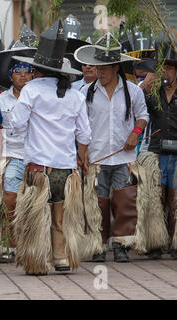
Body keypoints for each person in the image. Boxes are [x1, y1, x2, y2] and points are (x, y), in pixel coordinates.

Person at [10, 20, 91, 275]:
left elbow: (16, 124)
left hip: (38, 166)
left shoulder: (31, 90)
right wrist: (81, 156)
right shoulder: (76, 95)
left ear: (38, 69)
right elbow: (85, 134)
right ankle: (61, 258)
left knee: (36, 216)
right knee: (60, 215)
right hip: (65, 170)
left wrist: (26, 133)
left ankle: (37, 261)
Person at [75, 33, 151, 262]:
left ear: (115, 67)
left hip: (123, 157)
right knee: (97, 202)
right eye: (98, 68)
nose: (100, 72)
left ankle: (121, 245)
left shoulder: (133, 91)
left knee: (124, 201)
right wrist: (82, 152)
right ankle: (97, 246)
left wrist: (135, 134)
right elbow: (80, 126)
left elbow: (143, 117)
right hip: (96, 157)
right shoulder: (85, 92)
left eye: (104, 68)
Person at [0, 45, 36, 261]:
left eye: (27, 70)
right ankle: (10, 244)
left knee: (35, 203)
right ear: (10, 76)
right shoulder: (1, 100)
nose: (23, 74)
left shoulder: (39, 97)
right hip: (11, 157)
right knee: (10, 201)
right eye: (18, 70)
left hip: (36, 157)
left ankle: (35, 244)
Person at [139, 32, 177, 259]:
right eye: (162, 67)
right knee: (155, 197)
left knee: (175, 199)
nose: (166, 72)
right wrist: (147, 82)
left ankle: (174, 242)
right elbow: (134, 103)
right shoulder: (151, 93)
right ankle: (155, 241)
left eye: (170, 68)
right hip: (155, 151)